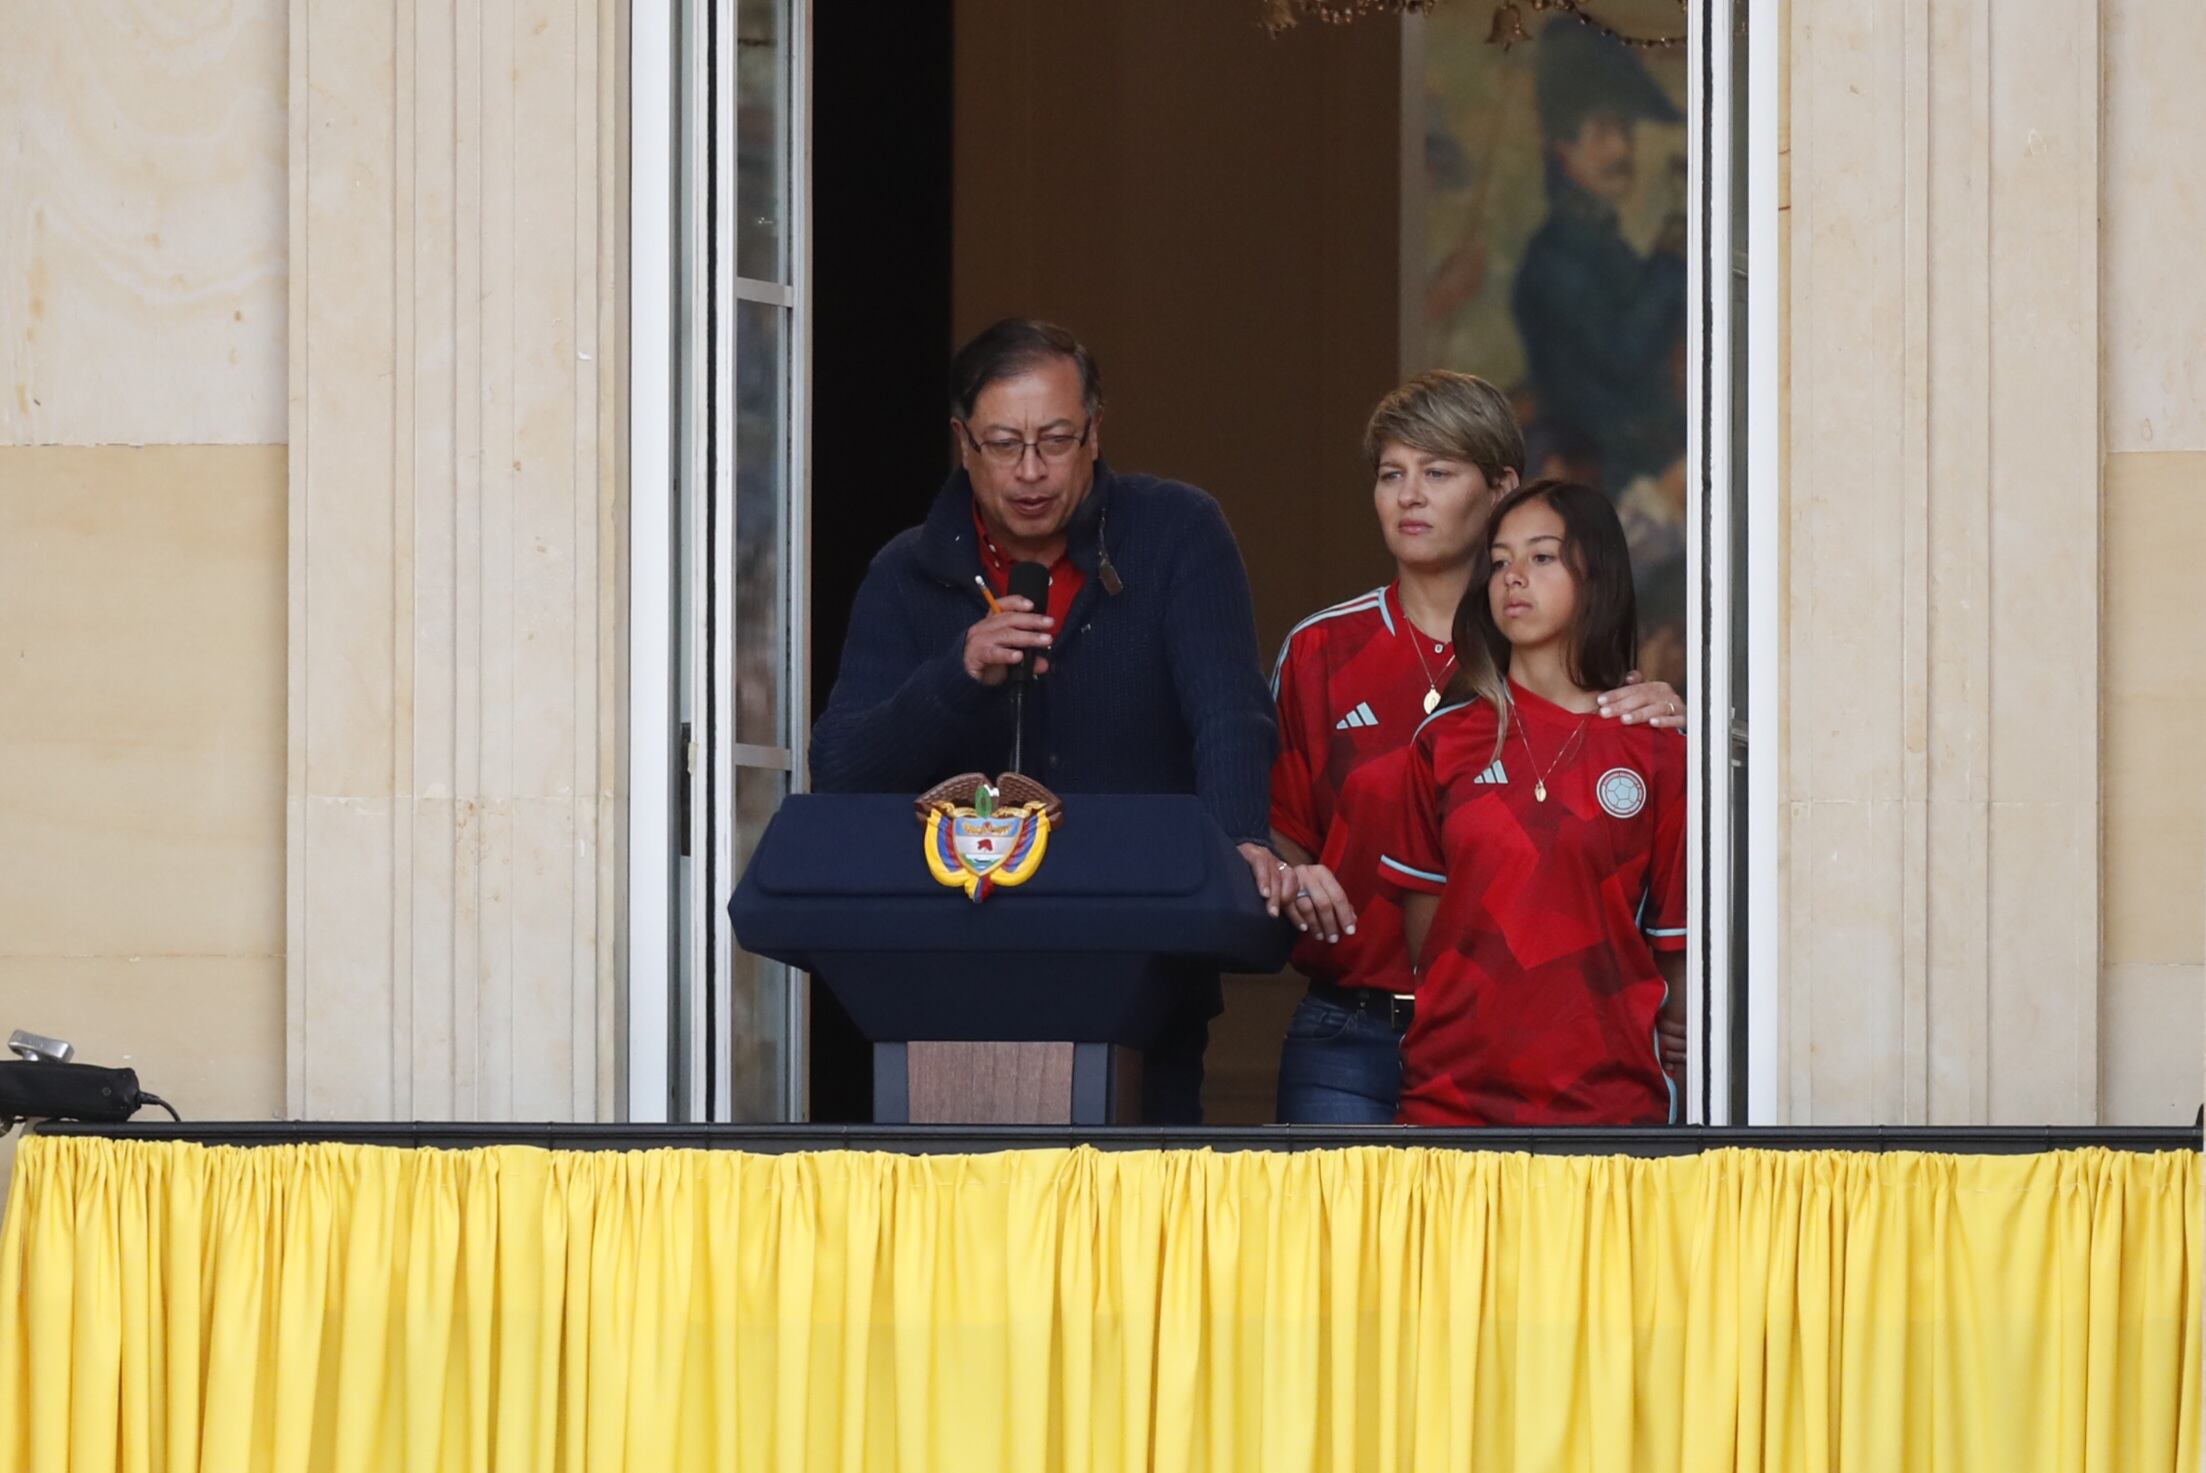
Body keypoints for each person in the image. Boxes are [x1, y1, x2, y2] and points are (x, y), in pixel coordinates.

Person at [808, 318, 1286, 1124]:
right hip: (950, 980)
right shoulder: (906, 572)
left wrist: (1242, 839)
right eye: (1003, 443)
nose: (1031, 471)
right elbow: (842, 768)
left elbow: (1229, 714)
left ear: (1096, 433)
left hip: (1142, 971)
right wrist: (958, 675)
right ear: (964, 443)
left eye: (1056, 439)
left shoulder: (1176, 534)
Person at [1268, 376, 1683, 1124]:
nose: (1409, 496)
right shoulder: (1320, 650)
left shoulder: (1592, 689)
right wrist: (1291, 876)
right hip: (1351, 1026)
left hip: (1534, 1050)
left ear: (1501, 488)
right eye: (1392, 474)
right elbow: (1280, 834)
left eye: (1437, 472)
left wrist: (1667, 713)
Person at [1379, 480, 1687, 1126]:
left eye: (1541, 557)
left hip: (1608, 1112)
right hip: (1451, 1106)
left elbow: (1676, 965)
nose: (1512, 577)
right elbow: (1431, 944)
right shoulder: (1443, 743)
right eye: (1498, 561)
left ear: (1596, 576)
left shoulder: (1657, 752)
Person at [1511, 21, 1687, 492]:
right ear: (1564, 149)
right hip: (1599, 478)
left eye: (1625, 130)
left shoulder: (1612, 245)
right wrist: (1676, 268)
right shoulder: (1553, 260)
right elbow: (1623, 355)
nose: (1621, 149)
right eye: (1605, 132)